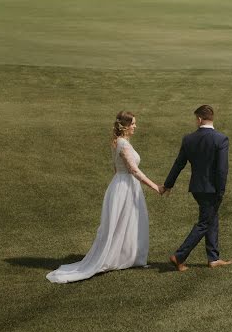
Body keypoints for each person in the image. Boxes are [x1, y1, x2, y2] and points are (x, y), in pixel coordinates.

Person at [46, 110, 161, 283]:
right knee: (122, 222)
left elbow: (117, 169)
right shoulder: (123, 144)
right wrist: (155, 187)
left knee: (128, 222)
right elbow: (133, 170)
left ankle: (127, 257)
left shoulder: (119, 142)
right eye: (133, 124)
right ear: (126, 126)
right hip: (124, 187)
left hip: (123, 185)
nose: (135, 126)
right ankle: (117, 257)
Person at [160, 105, 232, 272]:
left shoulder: (188, 139)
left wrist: (168, 184)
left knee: (211, 218)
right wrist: (221, 190)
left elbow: (179, 164)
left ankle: (213, 258)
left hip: (197, 188)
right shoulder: (221, 139)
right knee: (205, 222)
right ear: (211, 118)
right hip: (213, 189)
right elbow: (222, 169)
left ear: (199, 119)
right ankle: (179, 256)